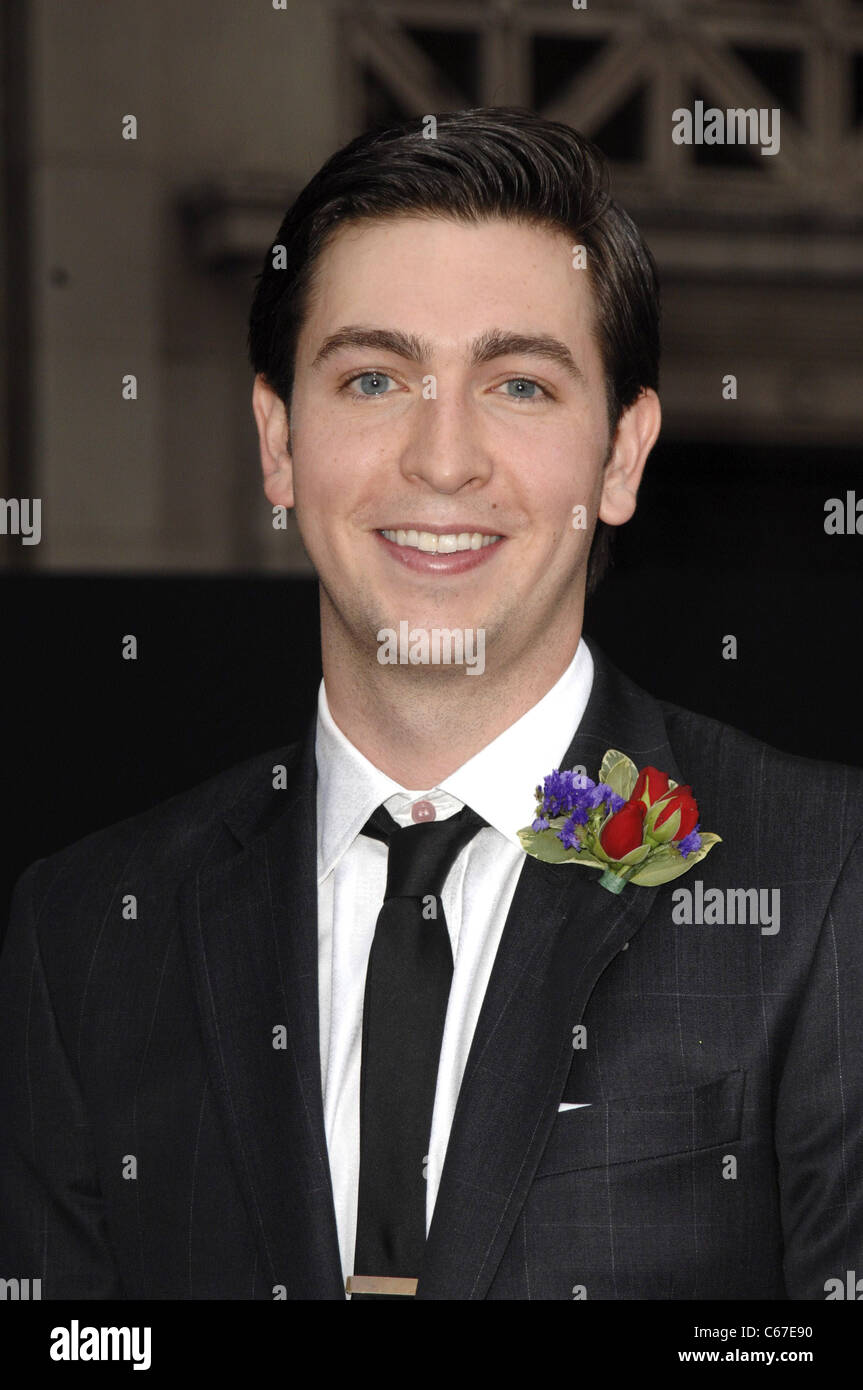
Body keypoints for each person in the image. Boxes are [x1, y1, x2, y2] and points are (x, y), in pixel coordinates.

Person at [1, 108, 861, 1301]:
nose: (441, 457)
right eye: (372, 377)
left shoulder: (825, 882)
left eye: (515, 382)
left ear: (619, 457)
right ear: (277, 441)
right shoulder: (84, 932)